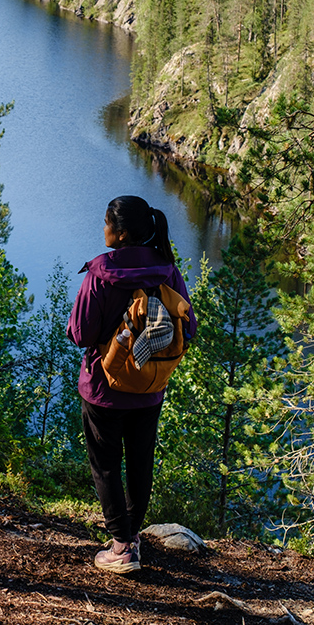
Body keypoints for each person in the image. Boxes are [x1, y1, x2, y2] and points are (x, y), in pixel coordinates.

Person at [67, 195, 195, 574]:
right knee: (140, 462)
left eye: (106, 221)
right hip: (149, 387)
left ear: (120, 234)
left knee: (106, 464)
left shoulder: (102, 273)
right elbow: (187, 327)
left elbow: (80, 333)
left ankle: (121, 547)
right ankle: (131, 535)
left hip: (105, 388)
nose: (102, 227)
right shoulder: (166, 270)